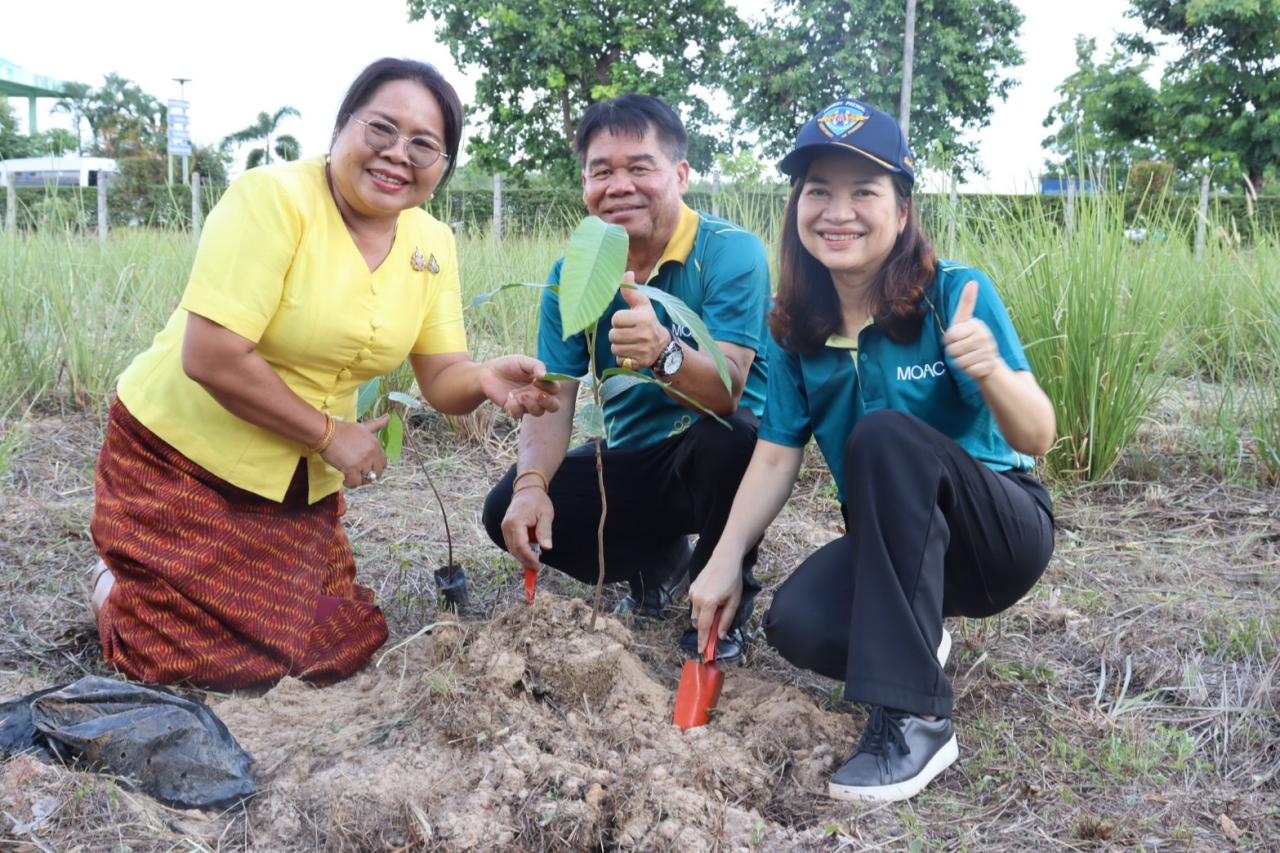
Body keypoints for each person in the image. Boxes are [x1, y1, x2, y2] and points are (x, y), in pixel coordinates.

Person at [89, 58, 557, 691]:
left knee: (337, 645)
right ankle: (114, 583)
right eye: (382, 129)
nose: (398, 154)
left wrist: (482, 380)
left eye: (424, 144)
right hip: (181, 456)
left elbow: (442, 374)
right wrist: (331, 436)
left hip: (291, 480)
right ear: (340, 129)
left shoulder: (431, 244)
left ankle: (172, 592)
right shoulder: (272, 200)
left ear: (442, 166)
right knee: (190, 660)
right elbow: (211, 355)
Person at [688, 99, 1056, 801]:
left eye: (864, 191)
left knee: (883, 433)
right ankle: (917, 637)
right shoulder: (793, 324)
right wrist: (725, 559)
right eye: (818, 191)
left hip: (997, 536)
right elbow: (776, 453)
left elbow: (1037, 435)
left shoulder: (956, 293)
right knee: (798, 625)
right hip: (895, 551)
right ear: (797, 205)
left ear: (903, 207)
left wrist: (993, 373)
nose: (838, 212)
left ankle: (917, 720)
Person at [482, 94, 771, 661]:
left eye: (640, 167)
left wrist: (664, 353)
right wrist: (531, 485)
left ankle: (725, 596)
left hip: (716, 461)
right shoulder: (575, 272)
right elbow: (554, 398)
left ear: (680, 175)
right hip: (633, 462)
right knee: (503, 509)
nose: (619, 186)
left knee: (733, 437)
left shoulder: (731, 252)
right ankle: (657, 563)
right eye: (602, 172)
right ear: (585, 186)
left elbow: (729, 391)